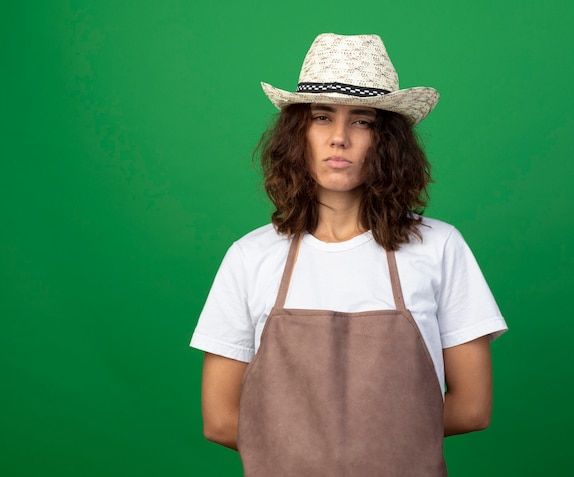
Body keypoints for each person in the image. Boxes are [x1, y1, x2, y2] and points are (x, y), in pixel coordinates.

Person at [190, 33, 507, 476]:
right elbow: (220, 420)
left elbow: (473, 409)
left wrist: (359, 451)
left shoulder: (440, 247)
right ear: (297, 133)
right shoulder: (249, 257)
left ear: (388, 141)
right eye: (322, 117)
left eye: (363, 121)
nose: (339, 138)